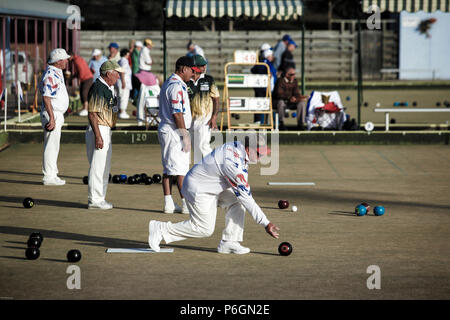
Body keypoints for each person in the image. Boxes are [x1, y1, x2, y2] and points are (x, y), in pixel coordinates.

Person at [148, 134, 281, 254]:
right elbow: (247, 197)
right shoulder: (233, 165)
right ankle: (161, 229)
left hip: (211, 187)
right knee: (204, 229)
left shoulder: (236, 147)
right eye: (259, 154)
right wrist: (266, 223)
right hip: (197, 189)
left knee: (237, 200)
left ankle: (229, 242)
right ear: (248, 149)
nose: (261, 157)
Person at [157, 56, 195, 214]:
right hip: (174, 130)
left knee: (168, 168)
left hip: (169, 129)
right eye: (192, 71)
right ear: (183, 69)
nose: (193, 74)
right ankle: (186, 204)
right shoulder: (176, 86)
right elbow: (177, 114)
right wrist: (184, 135)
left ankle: (168, 203)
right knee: (180, 170)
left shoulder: (169, 82)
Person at [85, 60, 123, 209]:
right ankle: (94, 199)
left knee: (105, 167)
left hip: (105, 129)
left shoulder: (109, 88)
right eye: (117, 73)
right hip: (98, 129)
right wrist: (98, 135)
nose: (119, 77)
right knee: (97, 166)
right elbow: (92, 114)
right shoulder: (98, 88)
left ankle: (100, 198)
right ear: (108, 74)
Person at [39, 48, 71, 186]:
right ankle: (48, 177)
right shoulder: (51, 74)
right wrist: (52, 118)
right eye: (65, 59)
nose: (67, 61)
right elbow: (46, 97)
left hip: (56, 113)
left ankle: (53, 174)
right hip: (52, 114)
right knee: (51, 146)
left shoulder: (57, 72)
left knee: (54, 146)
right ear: (58, 62)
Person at [187, 54, 220, 165]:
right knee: (195, 148)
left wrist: (214, 117)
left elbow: (216, 99)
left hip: (205, 119)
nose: (204, 67)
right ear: (194, 67)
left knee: (203, 145)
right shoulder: (185, 80)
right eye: (202, 65)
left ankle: (214, 169)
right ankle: (199, 172)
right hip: (189, 119)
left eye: (205, 64)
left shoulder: (209, 79)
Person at [250, 49, 277, 125]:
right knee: (266, 106)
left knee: (266, 106)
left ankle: (264, 122)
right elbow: (266, 72)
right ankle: (267, 122)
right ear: (268, 56)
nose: (272, 57)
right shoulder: (265, 63)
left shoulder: (265, 63)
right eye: (271, 55)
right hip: (265, 89)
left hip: (264, 88)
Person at [68, 52, 94, 117]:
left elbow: (81, 70)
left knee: (84, 93)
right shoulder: (77, 59)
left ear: (70, 56)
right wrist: (74, 76)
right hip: (86, 77)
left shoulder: (77, 60)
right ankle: (85, 108)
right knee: (82, 92)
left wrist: (79, 79)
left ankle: (86, 109)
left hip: (87, 78)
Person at [117, 49, 132, 119]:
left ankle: (120, 111)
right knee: (124, 97)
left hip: (120, 81)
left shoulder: (120, 60)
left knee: (120, 97)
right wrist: (123, 82)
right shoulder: (124, 60)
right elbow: (122, 71)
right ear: (126, 54)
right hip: (123, 81)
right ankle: (122, 112)